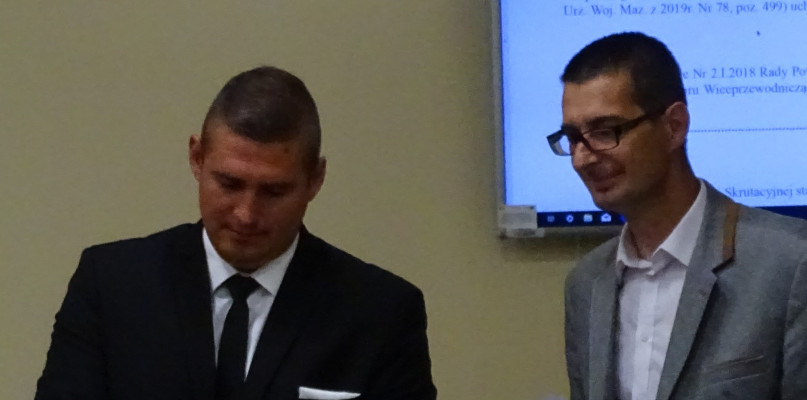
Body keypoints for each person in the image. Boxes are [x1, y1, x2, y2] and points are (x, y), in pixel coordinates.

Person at [36, 66, 437, 400]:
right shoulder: (111, 286)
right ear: (196, 158)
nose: (246, 215)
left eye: (273, 192)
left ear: (315, 179)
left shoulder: (380, 314)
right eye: (229, 184)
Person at [550, 32, 807, 400]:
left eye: (605, 132)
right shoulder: (587, 283)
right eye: (573, 137)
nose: (582, 158)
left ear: (675, 126)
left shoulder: (790, 264)